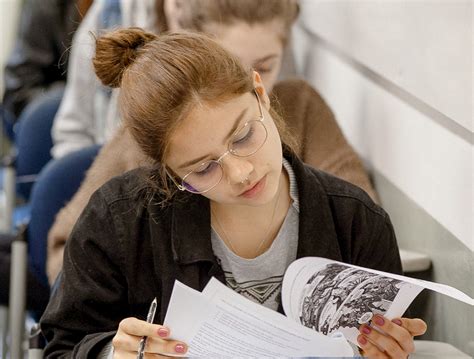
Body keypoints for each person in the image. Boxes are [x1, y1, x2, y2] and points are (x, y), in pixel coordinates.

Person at [40, 29, 427, 358]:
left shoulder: (356, 221)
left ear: (260, 93)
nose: (241, 173)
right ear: (170, 172)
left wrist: (384, 350)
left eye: (243, 136)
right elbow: (60, 346)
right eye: (203, 168)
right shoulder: (118, 220)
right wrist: (111, 351)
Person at [45, 0, 378, 286]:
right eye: (203, 167)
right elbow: (71, 255)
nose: (241, 172)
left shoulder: (302, 107)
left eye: (264, 65)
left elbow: (357, 216)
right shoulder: (144, 146)